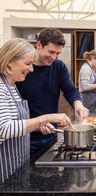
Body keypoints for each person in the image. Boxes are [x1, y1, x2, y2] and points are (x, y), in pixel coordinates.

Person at [0, 38, 71, 182]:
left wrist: (38, 126)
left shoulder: (12, 86)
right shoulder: (1, 88)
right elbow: (4, 129)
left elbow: (17, 123)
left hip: (18, 166)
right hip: (5, 170)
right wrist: (46, 118)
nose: (31, 69)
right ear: (9, 61)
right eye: (27, 64)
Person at [16, 28, 89, 157]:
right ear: (38, 45)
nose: (54, 57)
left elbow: (70, 89)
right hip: (25, 137)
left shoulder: (58, 66)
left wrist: (78, 104)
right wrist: (37, 124)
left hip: (51, 133)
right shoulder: (22, 69)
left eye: (58, 53)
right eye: (51, 52)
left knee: (51, 173)